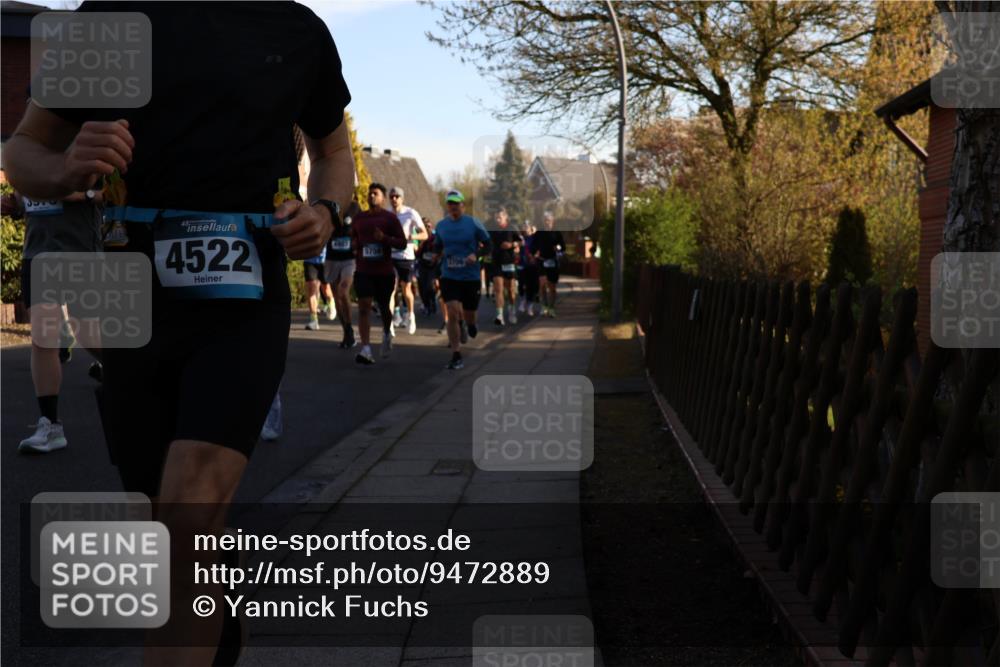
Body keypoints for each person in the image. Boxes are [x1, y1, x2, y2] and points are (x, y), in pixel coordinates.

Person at [1, 4, 354, 665]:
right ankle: (214, 626)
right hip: (126, 293)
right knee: (162, 533)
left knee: (188, 510)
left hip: (244, 297)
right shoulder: (110, 18)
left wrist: (326, 212)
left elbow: (334, 152)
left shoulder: (295, 28)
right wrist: (67, 166)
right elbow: (22, 151)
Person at [17, 190, 104, 453]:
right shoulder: (26, 162)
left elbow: (113, 192)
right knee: (43, 336)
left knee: (86, 332)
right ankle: (51, 425)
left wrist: (83, 194)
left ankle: (136, 373)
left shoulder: (92, 159)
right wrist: (17, 201)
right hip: (38, 249)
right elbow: (23, 193)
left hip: (80, 249)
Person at [434, 189, 491, 370]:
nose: (453, 206)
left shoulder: (473, 223)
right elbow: (437, 246)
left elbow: (488, 245)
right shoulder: (441, 226)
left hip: (470, 276)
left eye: (456, 203)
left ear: (463, 206)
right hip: (449, 275)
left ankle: (470, 324)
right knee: (452, 310)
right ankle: (456, 354)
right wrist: (436, 255)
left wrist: (477, 254)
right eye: (450, 203)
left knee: (469, 314)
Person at [351, 182, 406, 364]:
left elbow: (402, 243)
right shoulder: (359, 218)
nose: (371, 196)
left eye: (375, 193)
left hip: (383, 272)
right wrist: (354, 245)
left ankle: (387, 332)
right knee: (364, 307)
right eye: (370, 193)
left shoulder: (389, 218)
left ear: (383, 198)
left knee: (384, 308)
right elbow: (354, 238)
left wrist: (384, 238)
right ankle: (366, 349)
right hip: (363, 270)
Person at [388, 186, 426, 334]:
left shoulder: (411, 213)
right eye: (391, 197)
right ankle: (389, 322)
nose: (394, 199)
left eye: (397, 196)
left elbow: (425, 235)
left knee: (406, 289)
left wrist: (411, 237)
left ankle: (410, 315)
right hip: (391, 257)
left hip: (406, 257)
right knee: (390, 289)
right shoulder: (387, 214)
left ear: (402, 198)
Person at [326, 196, 361, 348]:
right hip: (332, 259)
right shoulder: (329, 205)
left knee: (342, 291)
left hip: (349, 259)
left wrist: (358, 242)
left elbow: (362, 227)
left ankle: (349, 329)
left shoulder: (354, 207)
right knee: (336, 297)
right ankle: (347, 330)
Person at [488, 207, 522, 326]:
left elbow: (521, 241)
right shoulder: (492, 229)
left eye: (500, 217)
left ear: (505, 217)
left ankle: (512, 311)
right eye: (496, 217)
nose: (497, 219)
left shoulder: (512, 228)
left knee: (511, 290)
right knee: (498, 290)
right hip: (496, 262)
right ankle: (499, 315)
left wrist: (512, 245)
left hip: (509, 263)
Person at [533, 212, 565, 317]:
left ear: (553, 221)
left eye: (549, 220)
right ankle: (544, 306)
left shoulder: (557, 233)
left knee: (552, 287)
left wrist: (558, 248)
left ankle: (551, 307)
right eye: (545, 220)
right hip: (542, 261)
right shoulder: (539, 233)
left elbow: (563, 247)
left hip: (553, 262)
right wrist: (535, 252)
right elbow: (533, 246)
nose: (547, 222)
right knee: (542, 284)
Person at [415, 217, 439, 317]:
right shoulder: (419, 237)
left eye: (428, 226)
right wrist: (421, 244)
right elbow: (417, 253)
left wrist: (436, 257)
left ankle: (432, 300)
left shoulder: (435, 237)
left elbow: (439, 249)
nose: (427, 228)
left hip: (432, 266)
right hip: (422, 265)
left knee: (430, 286)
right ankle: (426, 305)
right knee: (422, 287)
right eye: (425, 226)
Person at [518, 221, 541, 316]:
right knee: (521, 284)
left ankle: (530, 306)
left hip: (533, 265)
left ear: (531, 229)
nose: (525, 229)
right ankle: (523, 300)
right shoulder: (520, 239)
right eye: (524, 227)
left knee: (532, 286)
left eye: (527, 227)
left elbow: (539, 249)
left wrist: (535, 256)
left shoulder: (535, 239)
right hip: (522, 265)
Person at [302, 248, 327, 330]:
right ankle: (314, 320)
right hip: (309, 260)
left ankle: (330, 302)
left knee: (326, 289)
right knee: (311, 290)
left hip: (324, 260)